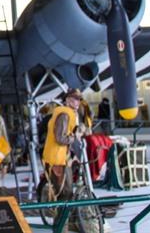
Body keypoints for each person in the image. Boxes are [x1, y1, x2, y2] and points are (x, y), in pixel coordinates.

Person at [42, 88, 84, 217]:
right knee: (65, 193)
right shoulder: (64, 115)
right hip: (57, 159)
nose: (77, 102)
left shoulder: (66, 114)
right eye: (74, 99)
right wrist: (74, 137)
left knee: (66, 192)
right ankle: (62, 227)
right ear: (67, 100)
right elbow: (60, 138)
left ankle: (63, 224)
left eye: (78, 99)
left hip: (60, 157)